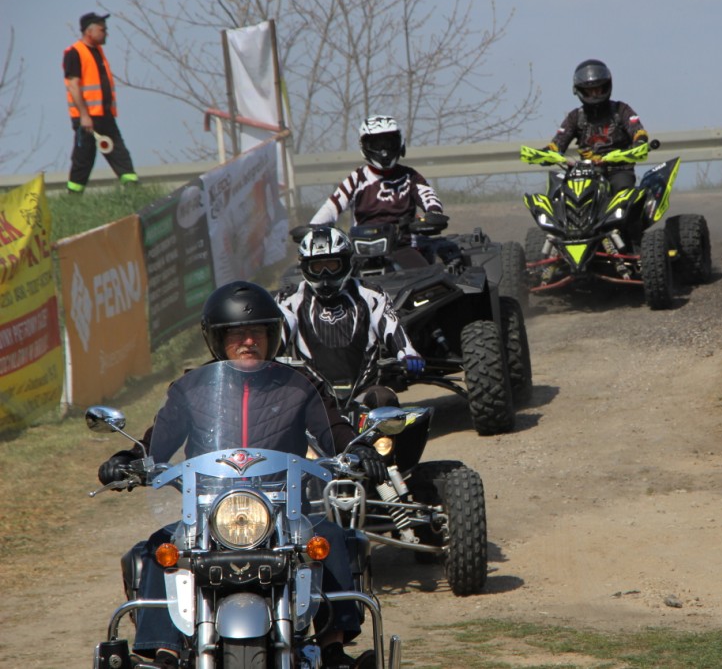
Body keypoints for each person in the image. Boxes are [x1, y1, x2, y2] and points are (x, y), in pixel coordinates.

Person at [97, 281, 382, 669]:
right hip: (207, 512)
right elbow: (156, 442)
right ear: (218, 339)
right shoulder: (191, 389)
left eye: (258, 332)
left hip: (284, 510)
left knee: (329, 537)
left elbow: (334, 430)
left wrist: (357, 450)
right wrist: (129, 459)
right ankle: (164, 652)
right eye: (237, 333)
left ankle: (333, 650)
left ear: (272, 336)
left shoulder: (299, 385)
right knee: (161, 545)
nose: (249, 341)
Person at [276, 227, 426, 396]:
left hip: (365, 394)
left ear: (346, 262)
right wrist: (266, 361)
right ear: (306, 267)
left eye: (332, 265)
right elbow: (277, 336)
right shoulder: (289, 300)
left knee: (385, 400)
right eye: (317, 266)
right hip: (311, 397)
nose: (325, 274)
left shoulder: (371, 294)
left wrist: (408, 354)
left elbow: (391, 326)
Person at [310, 114, 458, 265]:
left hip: (403, 248)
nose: (384, 151)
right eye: (377, 144)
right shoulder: (357, 178)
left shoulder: (410, 176)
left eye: (389, 143)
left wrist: (434, 213)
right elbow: (331, 207)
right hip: (360, 252)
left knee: (426, 275)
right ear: (364, 146)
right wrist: (313, 228)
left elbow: (428, 197)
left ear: (399, 143)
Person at [545, 59, 649, 194]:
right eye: (589, 90)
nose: (594, 94)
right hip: (585, 175)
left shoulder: (620, 110)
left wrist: (640, 141)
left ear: (606, 87)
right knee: (560, 194)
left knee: (624, 195)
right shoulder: (575, 117)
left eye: (598, 89)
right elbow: (559, 141)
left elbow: (637, 130)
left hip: (619, 171)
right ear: (581, 91)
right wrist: (547, 152)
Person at [63, 12, 139, 194]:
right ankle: (73, 196)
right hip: (87, 119)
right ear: (89, 32)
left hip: (105, 115)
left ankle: (133, 190)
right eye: (102, 30)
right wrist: (84, 116)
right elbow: (73, 86)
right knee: (83, 159)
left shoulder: (98, 52)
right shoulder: (75, 53)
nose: (106, 33)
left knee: (120, 154)